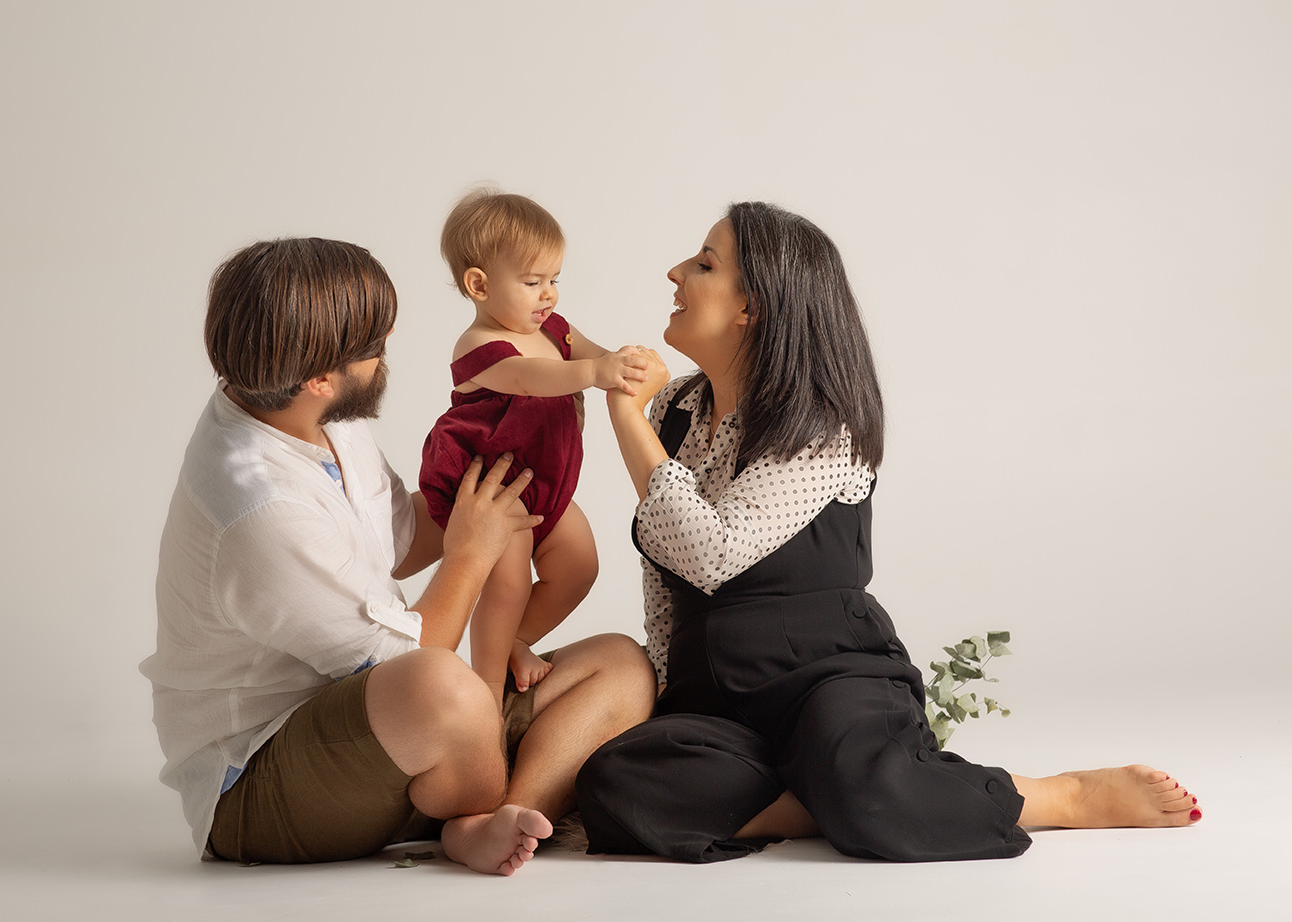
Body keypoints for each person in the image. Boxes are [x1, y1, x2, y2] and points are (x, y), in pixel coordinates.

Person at [575, 202, 1202, 863]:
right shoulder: (675, 411)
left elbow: (709, 551)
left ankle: (1058, 797)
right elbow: (665, 565)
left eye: (703, 264)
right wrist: (668, 684)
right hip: (719, 696)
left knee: (863, 778)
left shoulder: (820, 425)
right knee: (614, 781)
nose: (675, 273)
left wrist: (622, 410)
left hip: (825, 678)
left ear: (751, 308)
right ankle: (828, 801)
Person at [140, 237, 655, 875]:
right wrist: (470, 552)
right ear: (319, 376)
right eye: (375, 350)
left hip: (399, 729)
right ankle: (472, 803)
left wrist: (498, 489)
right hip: (258, 780)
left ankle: (486, 819)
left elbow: (399, 536)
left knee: (622, 665)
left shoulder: (317, 415)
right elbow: (409, 663)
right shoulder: (258, 510)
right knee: (445, 685)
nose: (388, 361)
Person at [420, 190, 649, 700]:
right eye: (532, 282)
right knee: (510, 581)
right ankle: (484, 683)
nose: (549, 295)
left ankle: (518, 640)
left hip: (543, 484)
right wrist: (592, 372)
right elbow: (530, 379)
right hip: (494, 491)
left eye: (554, 280)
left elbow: (594, 353)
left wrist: (618, 361)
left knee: (579, 564)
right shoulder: (480, 347)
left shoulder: (556, 330)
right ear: (479, 284)